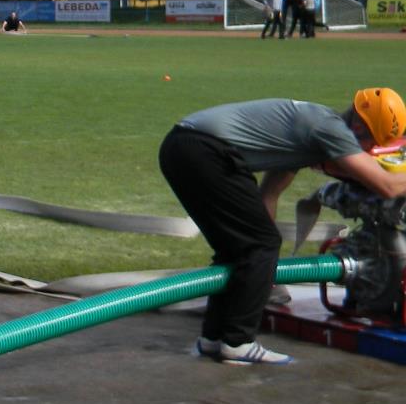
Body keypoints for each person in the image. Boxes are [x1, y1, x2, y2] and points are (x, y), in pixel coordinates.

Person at [158, 88, 406, 366]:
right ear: (359, 125)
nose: (367, 151)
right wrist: (265, 250)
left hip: (183, 147)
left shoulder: (306, 134)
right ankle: (238, 343)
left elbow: (269, 195)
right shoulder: (329, 129)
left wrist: (264, 270)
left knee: (237, 249)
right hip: (205, 151)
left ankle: (214, 338)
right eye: (370, 142)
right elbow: (386, 186)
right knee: (259, 244)